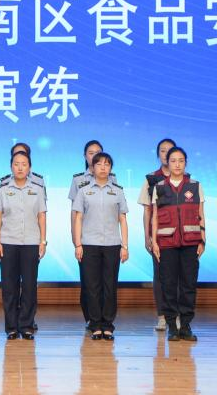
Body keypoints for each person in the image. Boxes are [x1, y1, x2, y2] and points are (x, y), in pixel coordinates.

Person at [71, 152, 129, 340]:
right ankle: (95, 324)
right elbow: (78, 218)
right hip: (89, 244)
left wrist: (125, 245)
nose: (103, 167)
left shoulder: (117, 191)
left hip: (112, 244)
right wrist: (78, 244)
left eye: (107, 164)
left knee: (110, 285)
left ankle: (108, 325)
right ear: (92, 168)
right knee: (92, 286)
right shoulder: (84, 191)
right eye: (99, 164)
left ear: (110, 168)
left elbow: (122, 219)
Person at [151, 147, 205, 342]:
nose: (177, 164)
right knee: (169, 285)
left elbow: (201, 214)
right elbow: (155, 217)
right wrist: (154, 242)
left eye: (181, 160)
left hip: (191, 242)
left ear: (186, 163)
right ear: (167, 162)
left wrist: (202, 239)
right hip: (167, 243)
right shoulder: (159, 187)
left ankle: (186, 325)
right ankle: (172, 326)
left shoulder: (195, 186)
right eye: (173, 160)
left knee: (189, 284)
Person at [0, 150, 47, 340]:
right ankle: (11, 327)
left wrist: (43, 241)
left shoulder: (38, 189)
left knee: (30, 286)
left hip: (31, 242)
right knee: (9, 287)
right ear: (11, 167)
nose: (20, 168)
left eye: (24, 164)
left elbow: (41, 216)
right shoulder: (3, 189)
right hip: (8, 242)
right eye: (16, 164)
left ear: (29, 167)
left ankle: (26, 325)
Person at [68, 140, 117, 330]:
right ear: (85, 156)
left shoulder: (112, 178)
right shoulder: (78, 180)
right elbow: (74, 212)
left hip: (108, 238)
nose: (94, 156)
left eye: (98, 152)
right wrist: (76, 238)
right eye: (90, 152)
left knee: (107, 281)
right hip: (86, 238)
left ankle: (105, 319)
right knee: (89, 280)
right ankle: (91, 318)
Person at [136, 138, 176, 332]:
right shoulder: (151, 179)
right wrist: (147, 236)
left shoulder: (187, 180)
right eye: (162, 150)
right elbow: (147, 211)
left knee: (179, 277)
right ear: (158, 154)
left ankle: (177, 316)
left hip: (180, 236)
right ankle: (162, 317)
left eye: (170, 150)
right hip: (158, 236)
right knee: (160, 275)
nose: (166, 154)